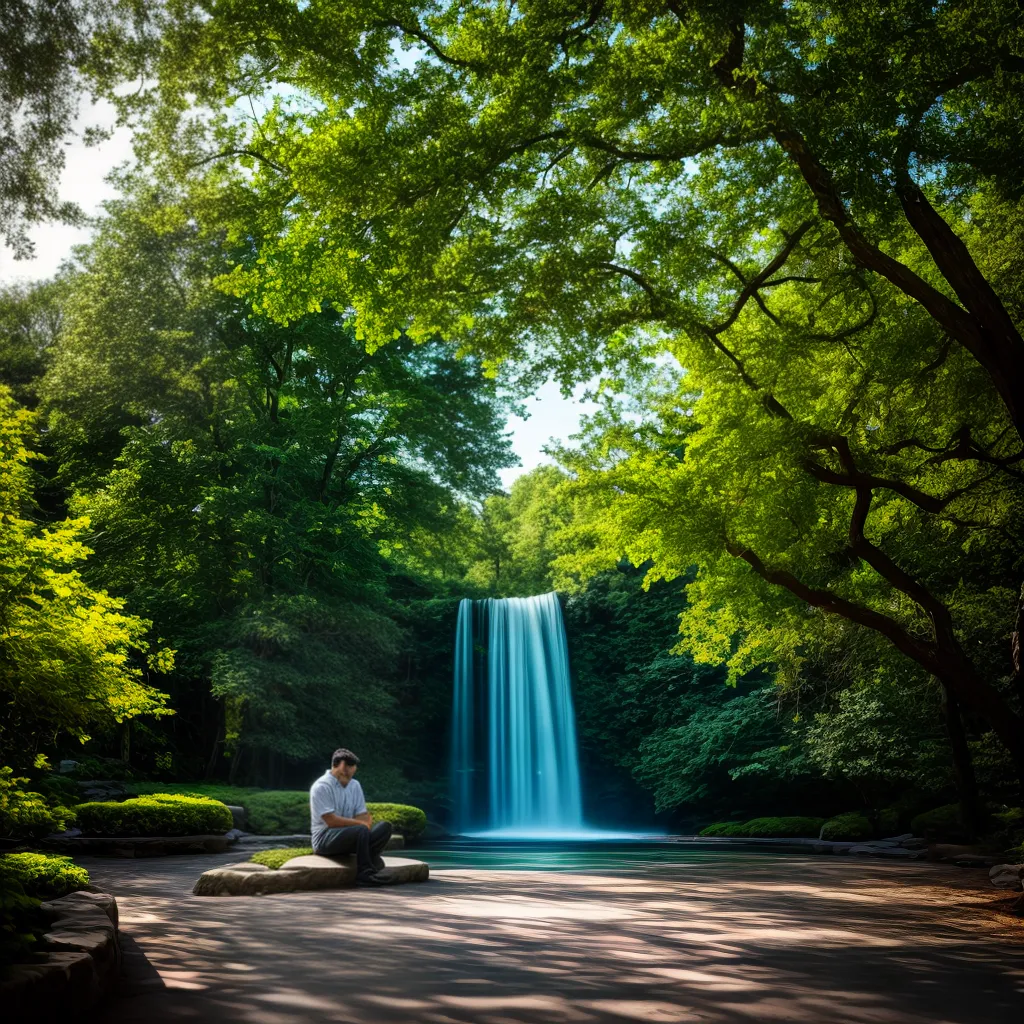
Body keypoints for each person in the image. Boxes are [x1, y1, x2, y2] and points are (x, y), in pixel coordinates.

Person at [309, 748, 392, 884]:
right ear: (342, 766)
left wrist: (362, 823)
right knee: (361, 829)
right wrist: (360, 824)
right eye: (350, 768)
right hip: (324, 839)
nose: (352, 773)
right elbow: (331, 821)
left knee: (385, 827)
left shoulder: (355, 785)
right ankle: (365, 874)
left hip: (349, 835)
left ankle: (369, 859)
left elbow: (362, 816)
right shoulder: (321, 786)